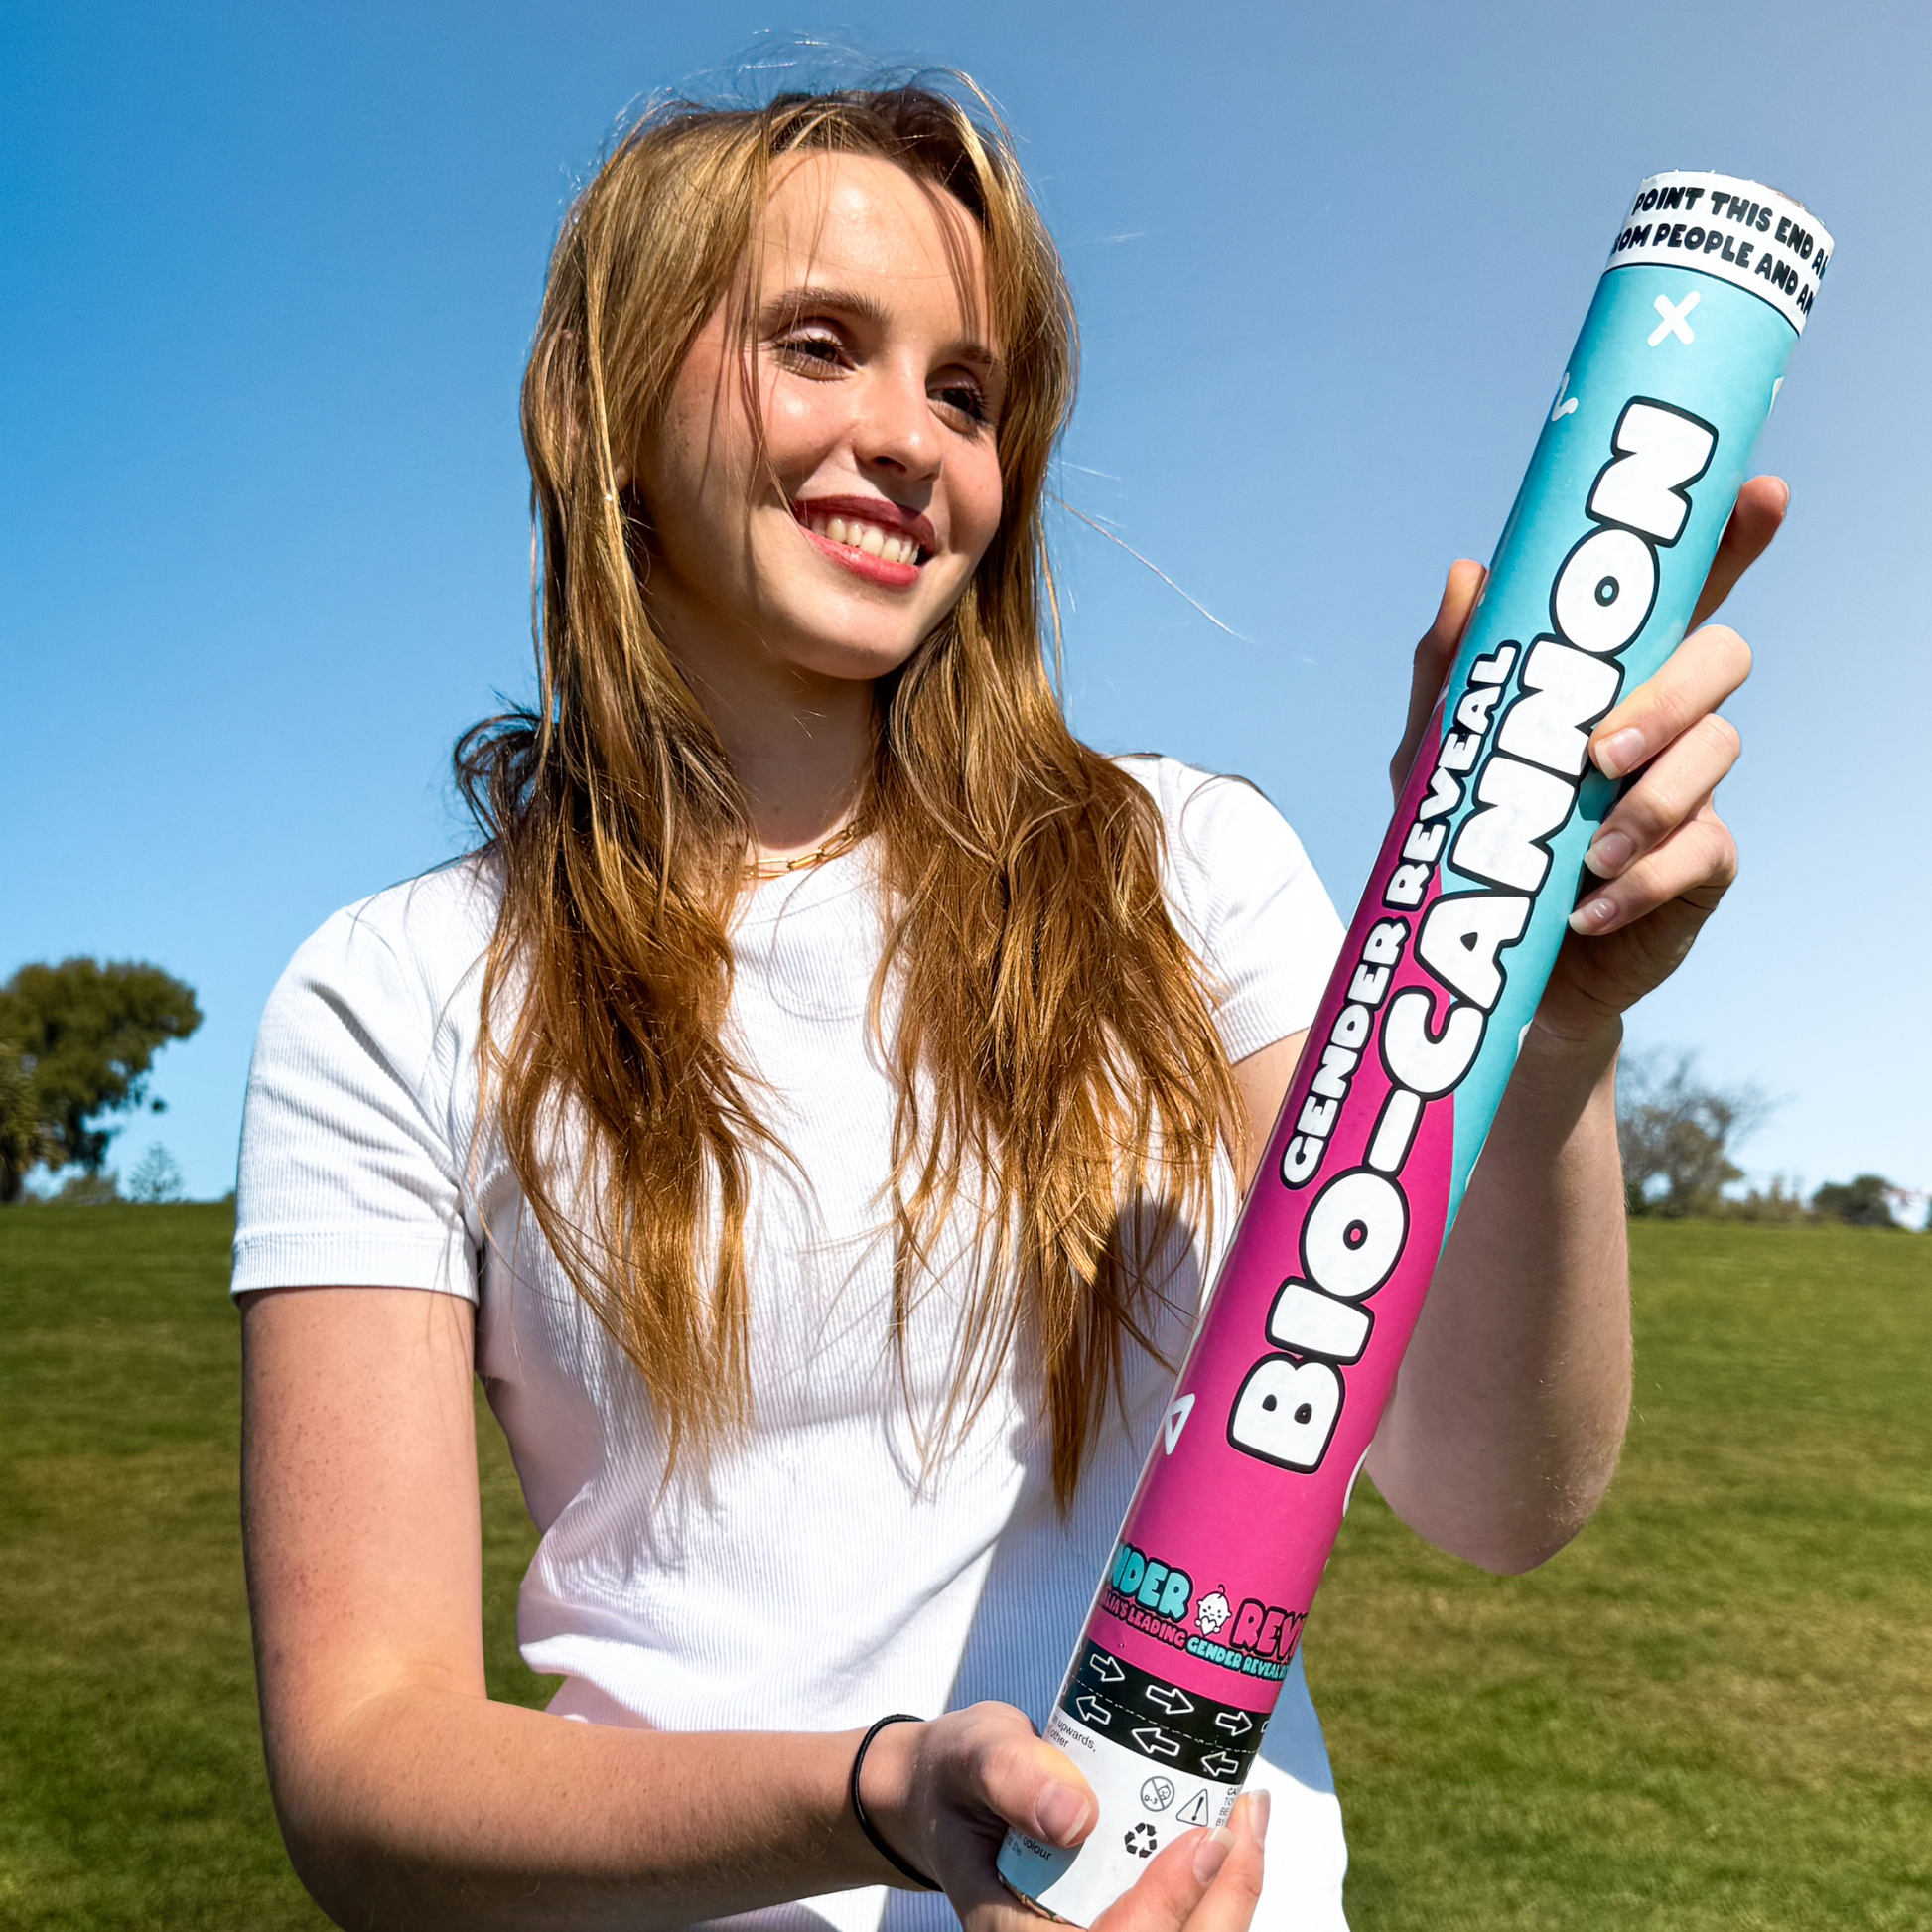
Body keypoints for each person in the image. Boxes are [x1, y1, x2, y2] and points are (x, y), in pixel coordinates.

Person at [233, 80, 1779, 1932]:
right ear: (606, 400)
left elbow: (1491, 1495)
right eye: (822, 347)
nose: (911, 443)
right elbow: (365, 1768)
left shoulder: (1182, 871)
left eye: (967, 395)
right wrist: (883, 1794)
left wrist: (1545, 1033)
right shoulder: (391, 991)